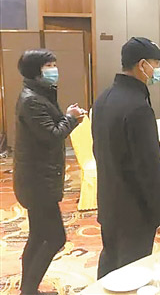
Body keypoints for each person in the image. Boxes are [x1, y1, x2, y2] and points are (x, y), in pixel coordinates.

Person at [92, 37, 160, 279]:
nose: (158, 69)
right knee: (132, 273)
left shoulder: (104, 98)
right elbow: (148, 167)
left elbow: (99, 151)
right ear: (142, 65)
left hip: (109, 200)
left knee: (110, 261)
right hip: (134, 210)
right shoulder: (138, 107)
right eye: (156, 63)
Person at [14, 49, 86, 295]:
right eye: (49, 66)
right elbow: (52, 135)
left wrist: (67, 116)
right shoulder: (32, 99)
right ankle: (28, 290)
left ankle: (28, 289)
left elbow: (49, 127)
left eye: (54, 64)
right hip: (38, 182)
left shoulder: (39, 94)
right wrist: (71, 118)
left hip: (37, 178)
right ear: (36, 71)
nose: (54, 70)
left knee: (37, 236)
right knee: (55, 238)